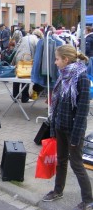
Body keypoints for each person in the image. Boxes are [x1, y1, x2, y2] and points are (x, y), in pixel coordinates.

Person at [42, 44, 93, 210]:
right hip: (60, 126)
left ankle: (88, 199)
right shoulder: (63, 75)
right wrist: (53, 127)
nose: (55, 63)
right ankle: (58, 191)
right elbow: (56, 105)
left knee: (77, 164)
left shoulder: (82, 78)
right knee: (61, 161)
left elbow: (82, 110)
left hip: (73, 130)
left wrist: (76, 136)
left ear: (66, 59)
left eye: (57, 59)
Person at [12, 29, 43, 103]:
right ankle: (25, 98)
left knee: (17, 76)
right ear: (39, 35)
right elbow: (38, 52)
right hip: (27, 59)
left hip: (18, 57)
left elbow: (16, 47)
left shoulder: (24, 37)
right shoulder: (37, 40)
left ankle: (15, 96)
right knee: (25, 77)